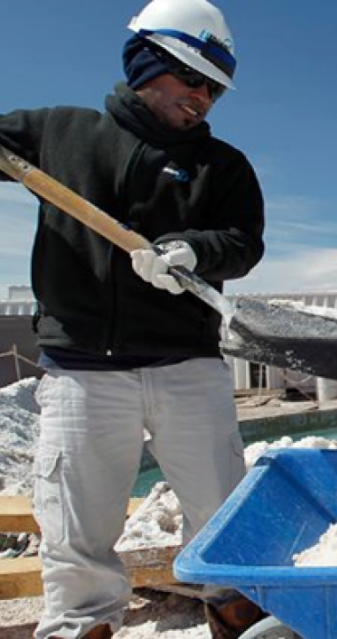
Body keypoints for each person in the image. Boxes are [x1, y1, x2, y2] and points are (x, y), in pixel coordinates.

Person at [0, 0, 267, 636]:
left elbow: (244, 243)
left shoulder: (222, 167)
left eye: (214, 88)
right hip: (82, 370)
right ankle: (81, 625)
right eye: (193, 79)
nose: (204, 97)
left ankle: (236, 613)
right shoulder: (60, 133)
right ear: (149, 62)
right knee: (76, 523)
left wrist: (194, 250)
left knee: (223, 512)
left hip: (188, 367)